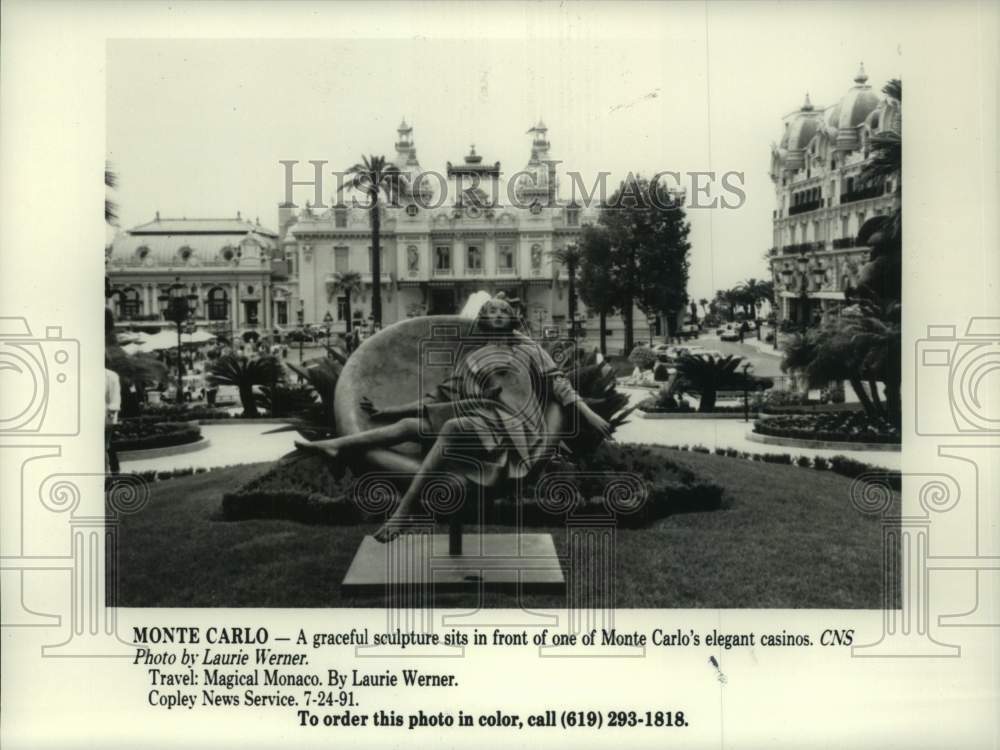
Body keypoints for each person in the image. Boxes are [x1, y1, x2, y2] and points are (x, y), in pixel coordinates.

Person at [295, 294, 612, 543]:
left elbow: (559, 384)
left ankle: (405, 511)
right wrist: (388, 411)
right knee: (409, 426)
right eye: (492, 311)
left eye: (504, 310)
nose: (498, 315)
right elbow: (440, 398)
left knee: (452, 427)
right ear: (483, 319)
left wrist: (588, 412)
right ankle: (338, 445)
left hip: (514, 429)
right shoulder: (473, 359)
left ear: (513, 317)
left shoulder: (527, 350)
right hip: (481, 419)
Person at [105, 364, 121, 475]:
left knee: (104, 448)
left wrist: (110, 415)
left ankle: (108, 474)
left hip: (105, 419)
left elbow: (115, 400)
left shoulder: (110, 375)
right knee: (106, 447)